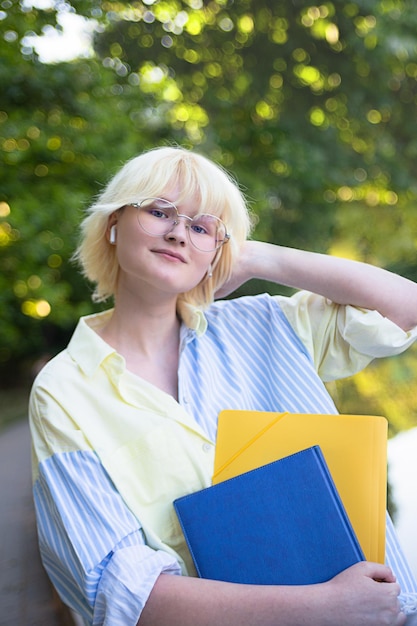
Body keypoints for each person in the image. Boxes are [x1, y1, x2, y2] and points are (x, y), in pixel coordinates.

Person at [29, 145, 417, 626]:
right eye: (158, 211)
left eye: (201, 226)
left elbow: (406, 310)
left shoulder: (266, 324)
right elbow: (117, 590)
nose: (177, 232)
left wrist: (257, 257)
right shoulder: (62, 391)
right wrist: (327, 607)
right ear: (113, 223)